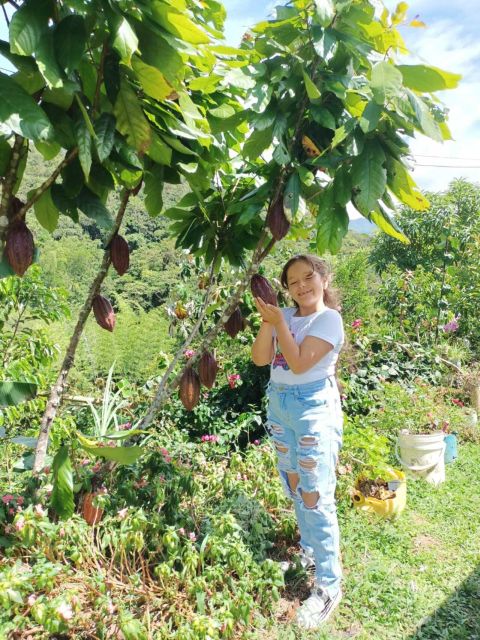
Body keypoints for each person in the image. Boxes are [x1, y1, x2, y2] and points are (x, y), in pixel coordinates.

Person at [251, 254, 344, 629]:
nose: (302, 286)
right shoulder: (284, 317)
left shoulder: (329, 320)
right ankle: (309, 553)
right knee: (293, 484)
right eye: (293, 282)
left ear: (323, 278)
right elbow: (261, 359)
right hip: (281, 406)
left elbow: (301, 363)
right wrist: (268, 323)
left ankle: (328, 585)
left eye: (309, 277)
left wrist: (280, 327)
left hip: (313, 409)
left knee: (316, 495)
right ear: (286, 288)